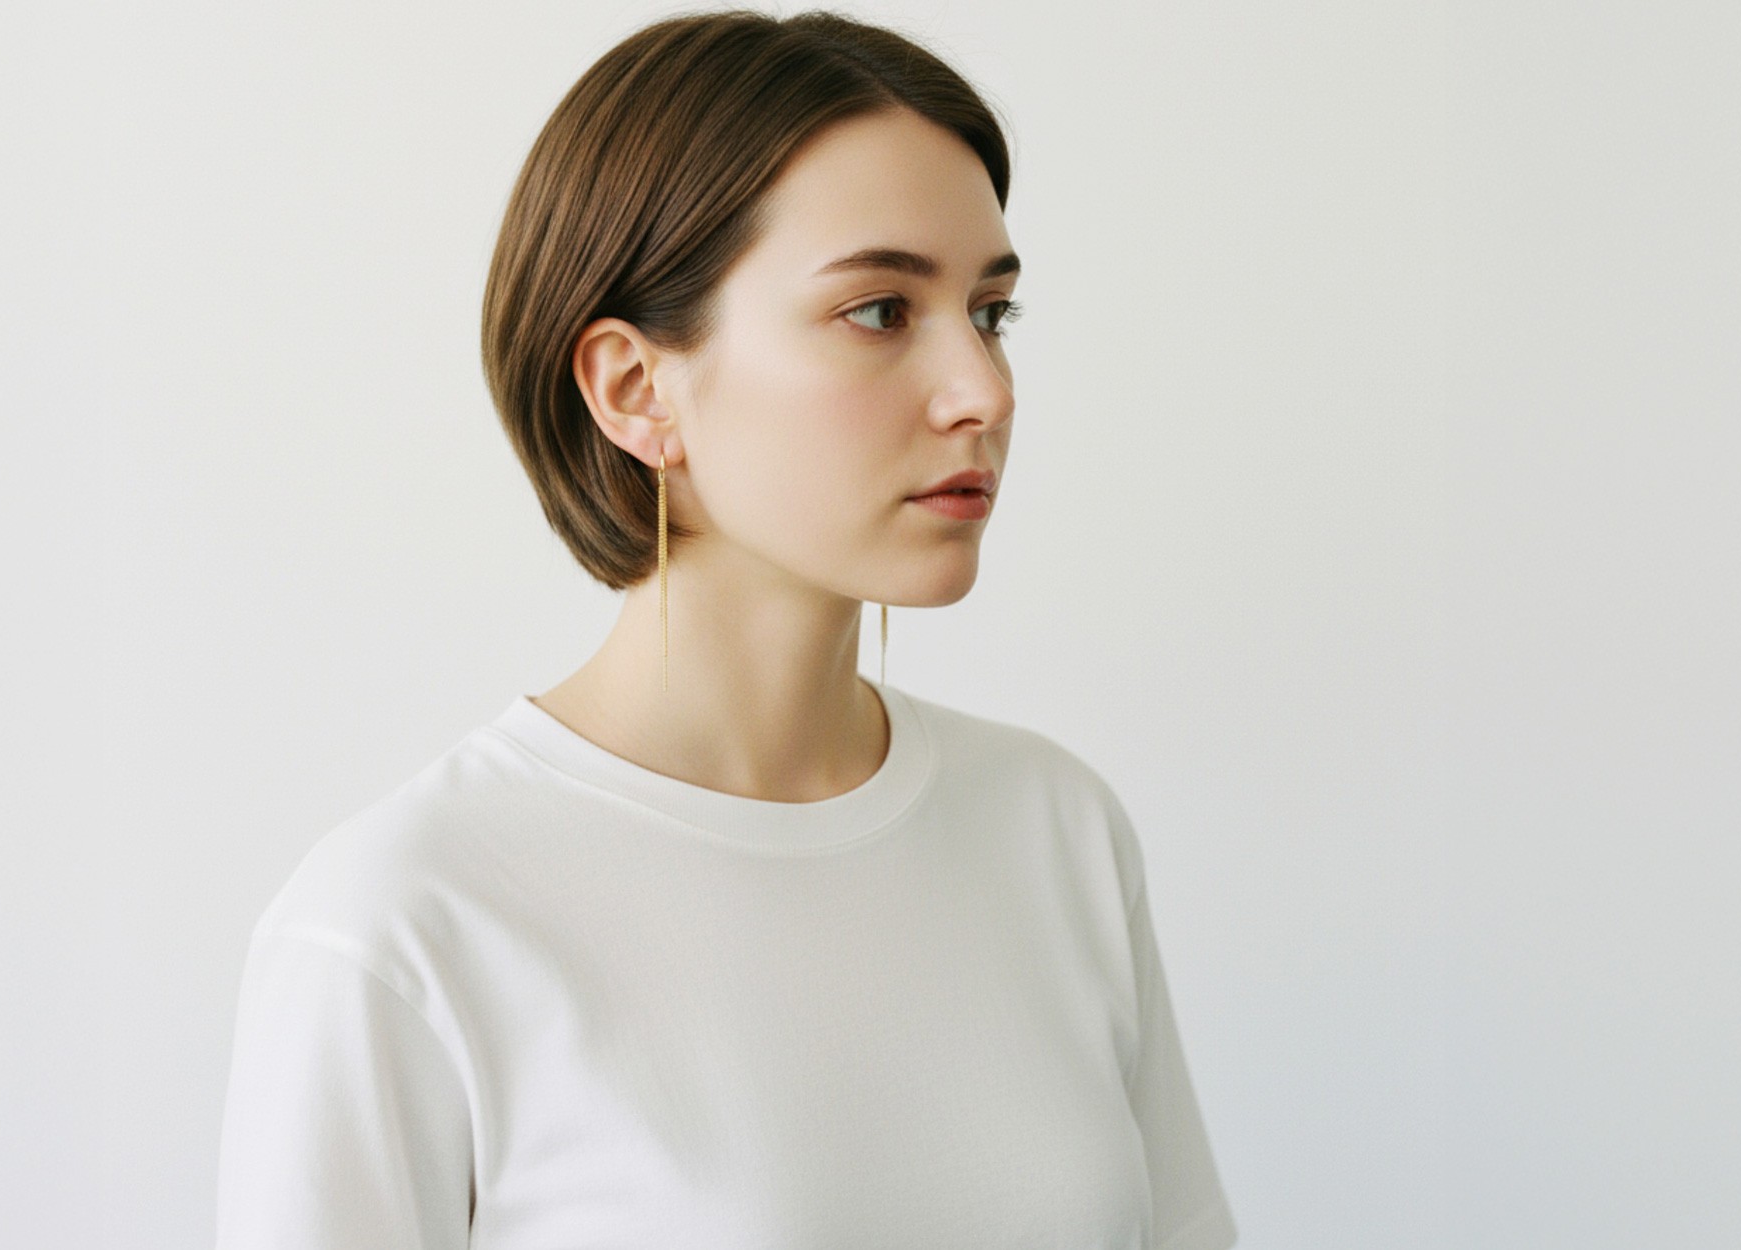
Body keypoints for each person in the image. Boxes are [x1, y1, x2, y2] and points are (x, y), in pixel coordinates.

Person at [213, 9, 1237, 1249]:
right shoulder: (404, 922)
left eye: (990, 311)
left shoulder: (1051, 829)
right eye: (879, 310)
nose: (982, 390)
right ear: (635, 387)